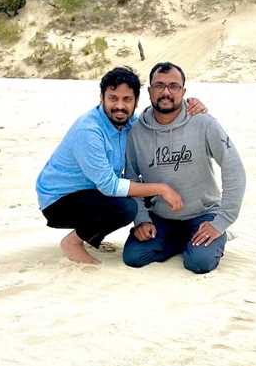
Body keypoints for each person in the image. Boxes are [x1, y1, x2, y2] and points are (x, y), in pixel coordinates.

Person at [36, 66, 206, 265]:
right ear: (102, 98)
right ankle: (72, 242)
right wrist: (162, 189)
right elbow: (109, 186)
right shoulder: (89, 131)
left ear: (135, 101)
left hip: (90, 193)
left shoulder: (131, 123)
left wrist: (192, 106)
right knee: (125, 207)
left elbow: (160, 119)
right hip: (58, 201)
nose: (119, 106)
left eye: (127, 99)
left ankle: (92, 235)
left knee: (142, 189)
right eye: (113, 98)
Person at [122, 62, 246, 274]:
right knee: (133, 256)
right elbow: (132, 178)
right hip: (161, 217)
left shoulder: (204, 122)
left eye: (174, 86)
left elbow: (233, 168)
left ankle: (207, 241)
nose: (166, 92)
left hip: (203, 214)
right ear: (150, 91)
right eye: (159, 86)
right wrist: (141, 219)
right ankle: (181, 242)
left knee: (199, 263)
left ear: (184, 91)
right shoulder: (136, 132)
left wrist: (222, 221)